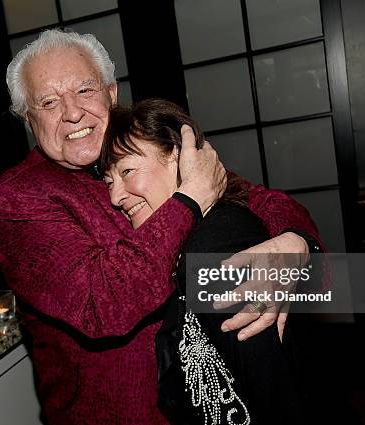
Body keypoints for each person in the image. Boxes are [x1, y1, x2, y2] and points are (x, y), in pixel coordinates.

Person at [0, 28, 320, 424]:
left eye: (85, 91)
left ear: (111, 94)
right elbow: (101, 304)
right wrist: (189, 200)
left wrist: (298, 243)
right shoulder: (18, 198)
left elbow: (257, 199)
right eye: (49, 101)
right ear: (28, 119)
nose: (72, 112)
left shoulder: (146, 146)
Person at [100, 98, 307, 425]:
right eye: (109, 181)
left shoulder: (215, 243)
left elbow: (274, 385)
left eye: (127, 171)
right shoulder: (185, 239)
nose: (115, 197)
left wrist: (301, 241)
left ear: (178, 157)